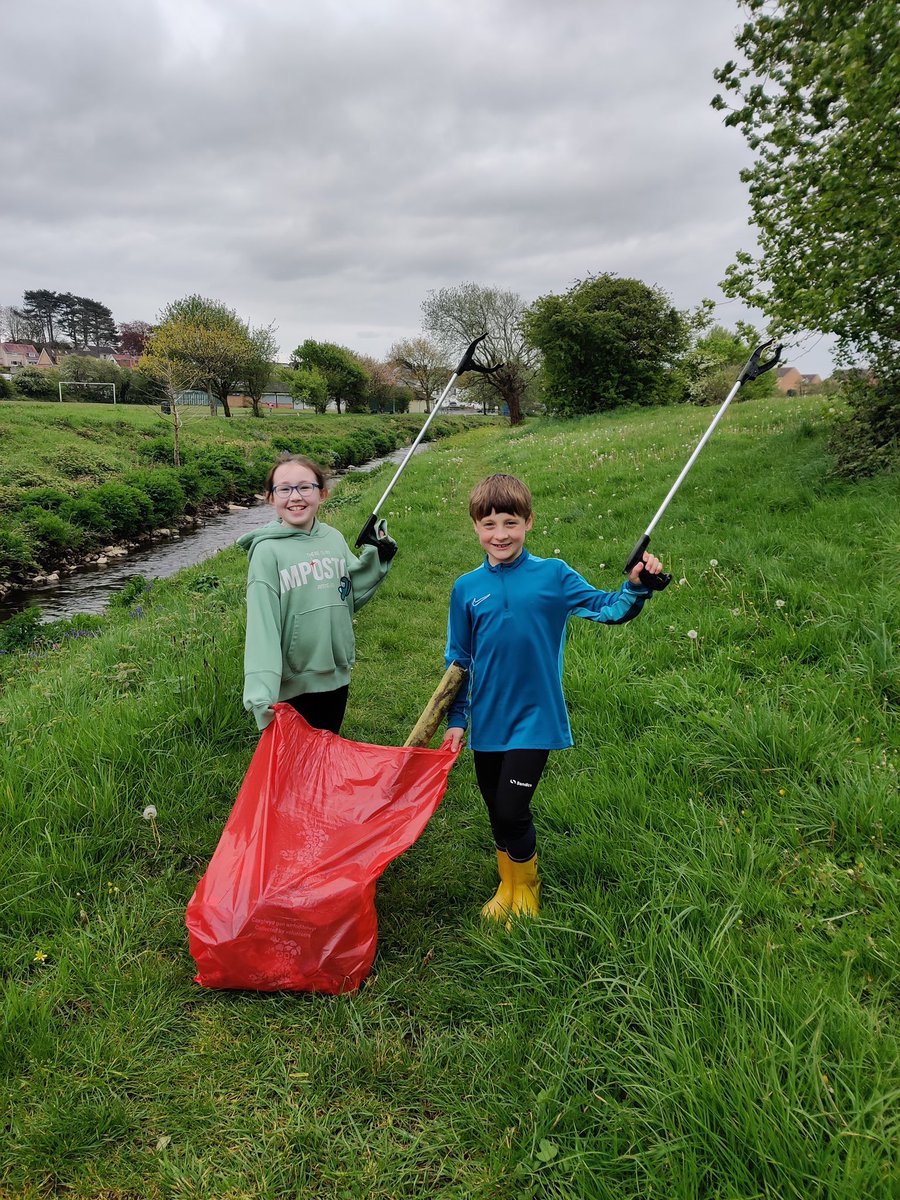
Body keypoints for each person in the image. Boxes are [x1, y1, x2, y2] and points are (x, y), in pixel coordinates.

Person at [443, 474, 663, 923]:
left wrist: (637, 586)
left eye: (510, 522)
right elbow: (459, 659)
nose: (500, 534)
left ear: (528, 522)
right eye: (488, 524)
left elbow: (608, 608)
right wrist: (457, 719)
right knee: (495, 811)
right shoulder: (466, 588)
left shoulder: (554, 575)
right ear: (474, 528)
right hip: (487, 720)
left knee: (511, 808)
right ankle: (506, 883)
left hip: (535, 718)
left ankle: (528, 888)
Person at [239, 453, 397, 735]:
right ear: (270, 498)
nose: (295, 496)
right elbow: (263, 627)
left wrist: (378, 555)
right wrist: (261, 693)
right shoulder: (266, 553)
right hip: (291, 685)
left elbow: (348, 592)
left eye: (305, 487)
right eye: (284, 489)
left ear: (322, 494)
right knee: (295, 767)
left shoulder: (333, 538)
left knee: (326, 754)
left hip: (336, 676)